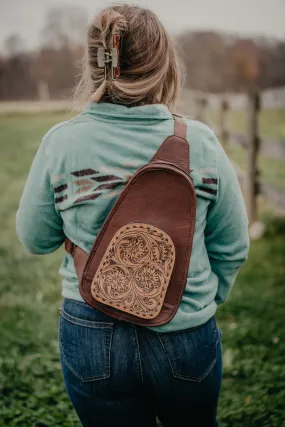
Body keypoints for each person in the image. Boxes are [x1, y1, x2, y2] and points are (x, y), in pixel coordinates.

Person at [16, 4, 249, 427]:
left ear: (94, 64)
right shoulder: (201, 142)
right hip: (186, 326)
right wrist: (201, 302)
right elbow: (233, 245)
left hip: (91, 330)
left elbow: (35, 239)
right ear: (164, 65)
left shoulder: (61, 143)